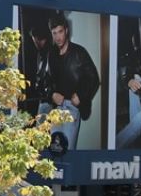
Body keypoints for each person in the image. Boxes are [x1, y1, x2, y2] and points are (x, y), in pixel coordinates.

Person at [37, 11, 100, 153]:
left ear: (66, 30)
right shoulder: (50, 54)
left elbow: (94, 78)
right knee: (55, 150)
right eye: (54, 33)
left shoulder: (79, 52)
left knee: (67, 151)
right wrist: (51, 94)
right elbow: (41, 81)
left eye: (60, 32)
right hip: (56, 108)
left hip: (72, 107)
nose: (58, 37)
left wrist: (81, 95)